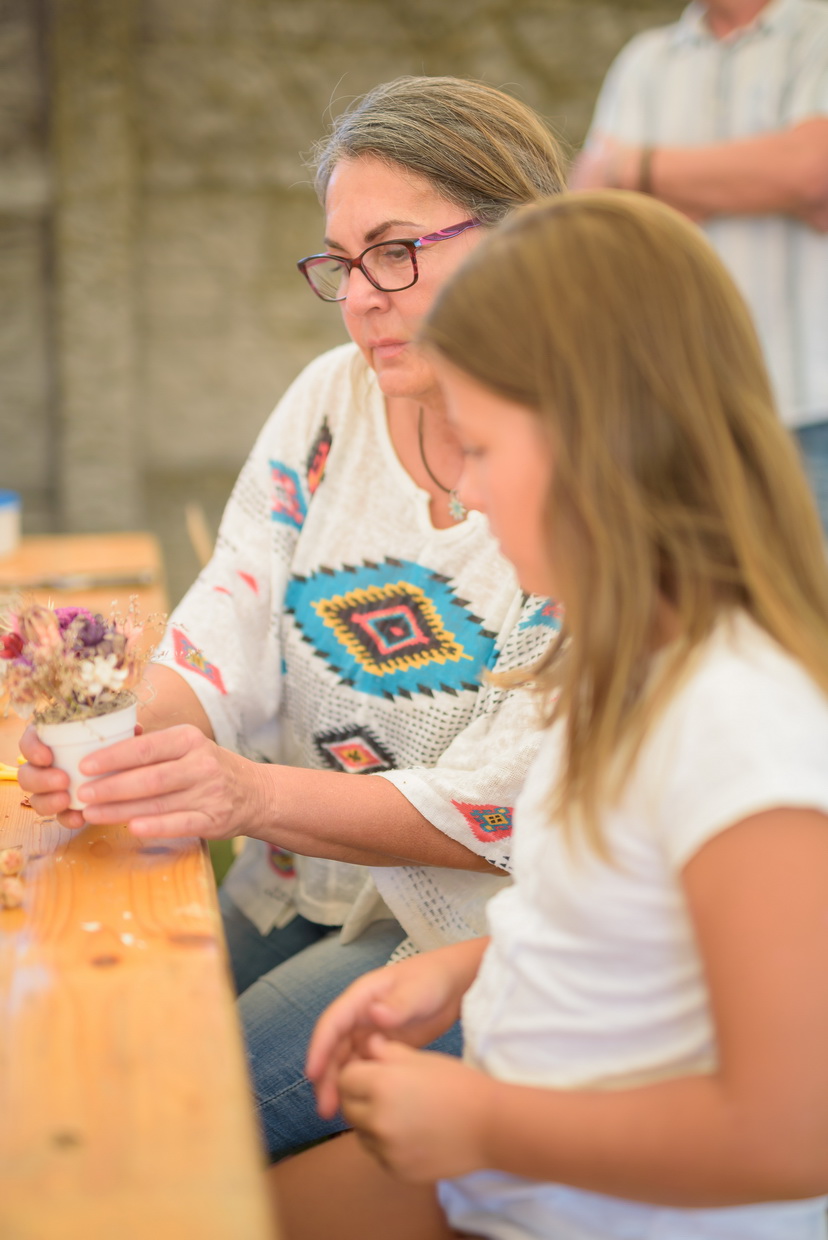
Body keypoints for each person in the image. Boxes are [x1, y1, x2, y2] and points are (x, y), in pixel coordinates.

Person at [17, 77, 566, 1160]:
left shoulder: (585, 457)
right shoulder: (333, 396)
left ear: (519, 241)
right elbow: (235, 603)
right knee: (97, 1040)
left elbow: (502, 807)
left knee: (176, 1112)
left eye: (394, 252)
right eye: (341, 263)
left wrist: (243, 793)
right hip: (293, 875)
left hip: (458, 930)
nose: (360, 297)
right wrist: (125, 741)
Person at [269, 192, 828, 1240]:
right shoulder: (623, 666)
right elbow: (618, 929)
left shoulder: (740, 728)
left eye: (480, 448)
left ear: (600, 445)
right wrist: (460, 970)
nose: (470, 494)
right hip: (504, 1182)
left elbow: (793, 1135)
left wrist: (483, 1122)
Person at [570, 0, 828, 534]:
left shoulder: (818, 29)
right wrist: (760, 179)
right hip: (682, 414)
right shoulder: (645, 59)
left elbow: (811, 172)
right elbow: (591, 219)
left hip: (813, 408)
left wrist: (636, 167)